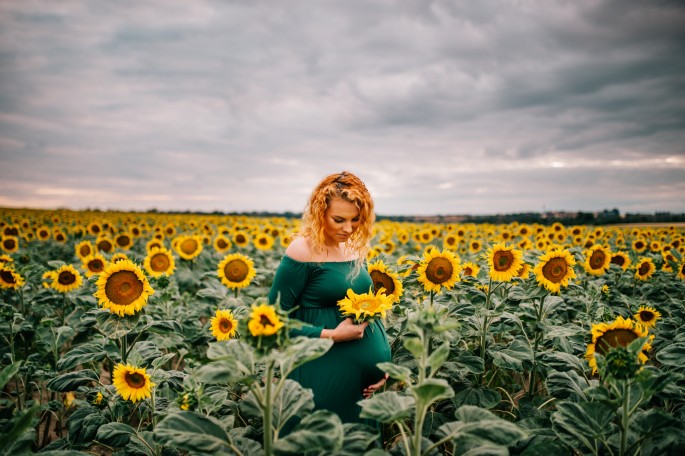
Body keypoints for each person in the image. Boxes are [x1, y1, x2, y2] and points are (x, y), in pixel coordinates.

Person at [268, 171, 391, 425]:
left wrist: (382, 369)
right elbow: (271, 322)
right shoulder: (302, 251)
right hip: (320, 377)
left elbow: (369, 308)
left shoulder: (353, 248)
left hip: (363, 389)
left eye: (356, 219)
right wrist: (333, 335)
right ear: (319, 213)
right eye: (339, 220)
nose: (348, 228)